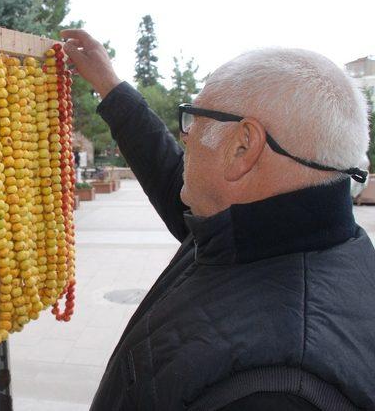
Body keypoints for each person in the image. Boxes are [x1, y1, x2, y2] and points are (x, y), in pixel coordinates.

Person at [61, 29, 375, 411]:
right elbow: (170, 175)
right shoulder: (267, 231)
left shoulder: (278, 390)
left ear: (243, 147)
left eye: (193, 119)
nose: (186, 137)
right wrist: (111, 87)